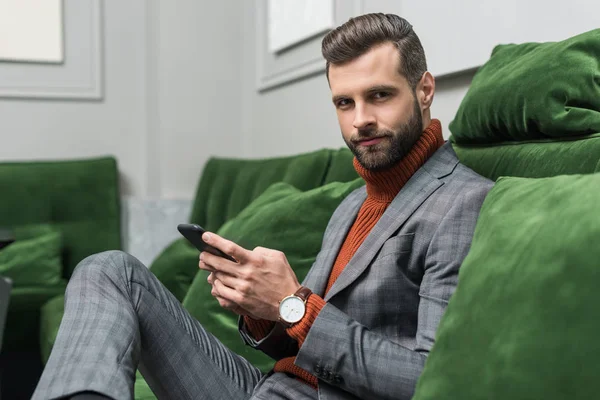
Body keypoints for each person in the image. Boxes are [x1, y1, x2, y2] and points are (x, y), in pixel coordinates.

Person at [33, 13, 492, 400]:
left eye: (380, 95)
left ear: (425, 90)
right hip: (265, 387)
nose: (360, 121)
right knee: (111, 270)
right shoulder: (355, 201)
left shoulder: (461, 202)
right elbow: (299, 337)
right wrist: (260, 308)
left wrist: (293, 305)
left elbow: (429, 379)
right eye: (343, 103)